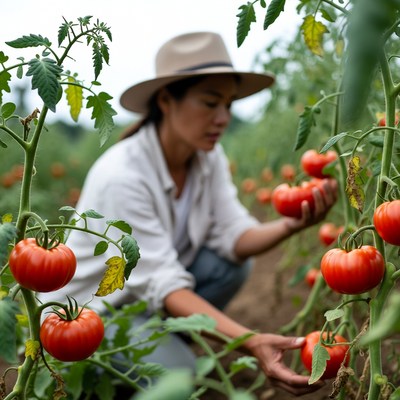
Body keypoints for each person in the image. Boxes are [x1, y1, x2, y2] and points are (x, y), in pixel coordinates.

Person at [41, 31, 337, 396]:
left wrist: (294, 222)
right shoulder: (123, 176)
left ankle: (158, 350)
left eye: (228, 105)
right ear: (166, 100)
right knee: (179, 375)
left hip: (148, 304)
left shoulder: (206, 157)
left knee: (230, 263)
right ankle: (115, 374)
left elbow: (234, 233)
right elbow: (163, 283)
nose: (223, 117)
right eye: (210, 103)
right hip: (91, 318)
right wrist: (250, 340)